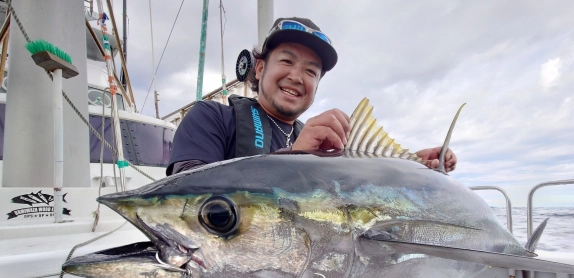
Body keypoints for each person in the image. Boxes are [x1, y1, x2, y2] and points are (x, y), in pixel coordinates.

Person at [167, 17, 456, 176]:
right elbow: (187, 194)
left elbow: (358, 187)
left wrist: (408, 165)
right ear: (260, 66)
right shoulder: (211, 118)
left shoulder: (323, 143)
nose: (297, 76)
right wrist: (293, 159)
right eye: (287, 61)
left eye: (311, 71)